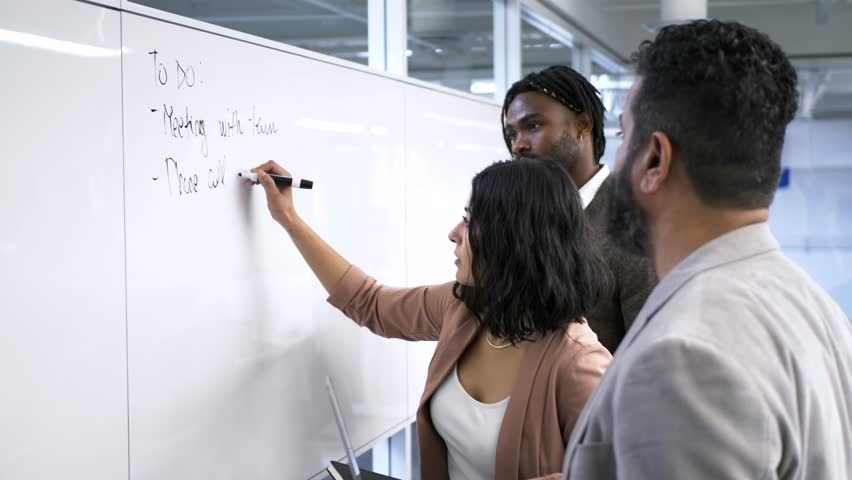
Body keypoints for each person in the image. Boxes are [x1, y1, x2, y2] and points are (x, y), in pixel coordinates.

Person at [562, 19, 852, 479]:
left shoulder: (683, 358)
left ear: (655, 159)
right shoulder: (819, 310)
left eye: (623, 137)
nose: (615, 162)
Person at [251, 157, 612, 480]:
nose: (453, 233)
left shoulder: (579, 363)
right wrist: (289, 219)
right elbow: (370, 303)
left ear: (513, 238)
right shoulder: (463, 308)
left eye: (469, 220)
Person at [502, 65, 656, 353]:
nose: (518, 145)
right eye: (512, 134)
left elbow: (649, 355)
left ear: (583, 126)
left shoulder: (633, 223)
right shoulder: (528, 222)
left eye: (533, 126)